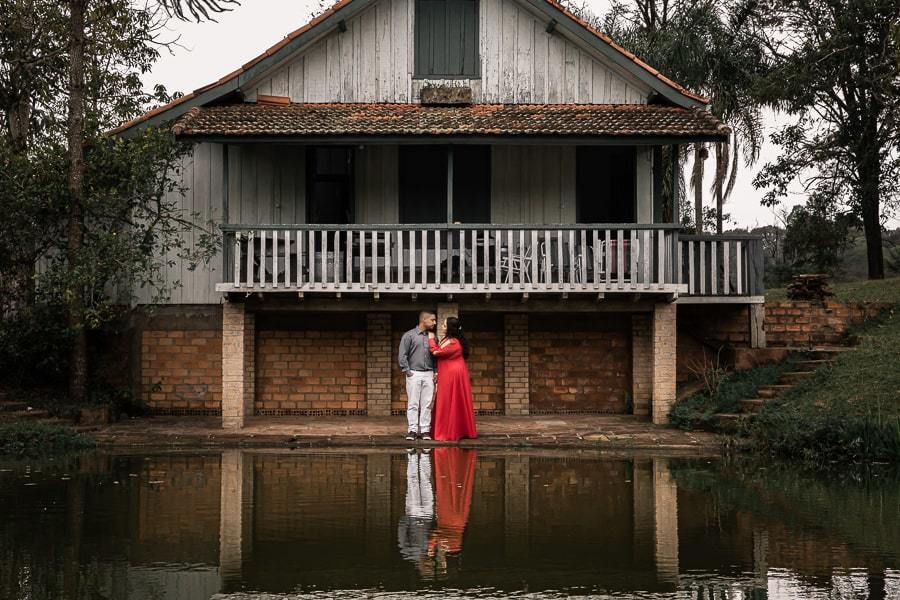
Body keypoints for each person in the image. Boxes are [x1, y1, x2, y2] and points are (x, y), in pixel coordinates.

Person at [428, 316, 477, 441]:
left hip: (452, 375)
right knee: (451, 401)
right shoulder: (449, 339)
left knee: (449, 401)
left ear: (450, 328)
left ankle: (449, 432)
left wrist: (431, 340)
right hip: (450, 372)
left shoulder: (453, 342)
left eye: (444, 325)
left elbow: (436, 352)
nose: (442, 327)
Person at [398, 311, 437, 441]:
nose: (434, 322)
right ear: (424, 320)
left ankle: (425, 430)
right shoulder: (409, 335)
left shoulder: (432, 337)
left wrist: (436, 372)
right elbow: (402, 355)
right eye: (432, 320)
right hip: (414, 373)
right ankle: (412, 430)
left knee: (426, 404)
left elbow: (435, 356)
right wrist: (408, 371)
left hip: (429, 373)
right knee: (413, 403)